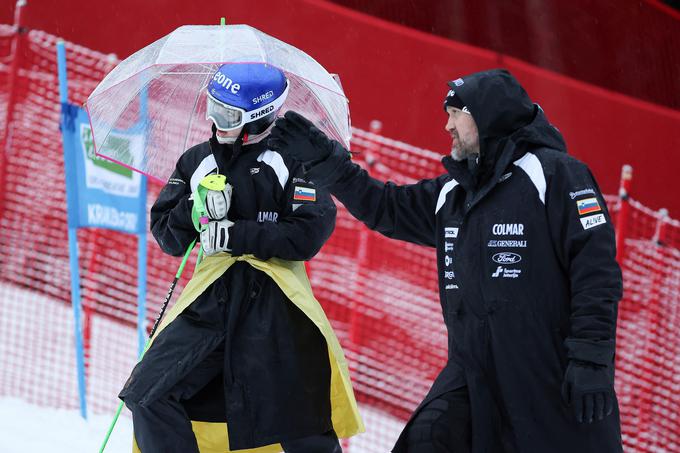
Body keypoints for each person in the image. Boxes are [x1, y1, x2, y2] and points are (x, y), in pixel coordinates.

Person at [267, 68, 624, 453]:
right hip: (471, 373)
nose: (447, 125)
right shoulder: (453, 192)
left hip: (545, 372)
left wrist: (590, 361)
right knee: (426, 439)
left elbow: (596, 273)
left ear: (487, 116)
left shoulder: (556, 175)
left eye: (456, 113)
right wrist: (328, 163)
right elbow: (386, 207)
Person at [119, 63, 362, 453]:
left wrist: (236, 233)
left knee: (300, 422)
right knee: (147, 394)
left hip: (274, 303)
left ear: (259, 117)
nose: (216, 123)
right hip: (210, 301)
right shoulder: (198, 161)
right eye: (212, 109)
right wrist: (194, 211)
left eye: (228, 115)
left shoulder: (292, 160)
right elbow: (167, 234)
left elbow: (309, 231)